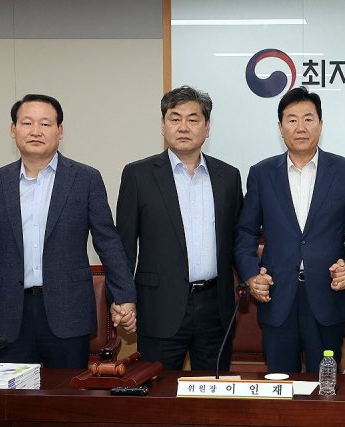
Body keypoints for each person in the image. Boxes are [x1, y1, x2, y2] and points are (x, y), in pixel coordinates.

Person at [0, 94, 137, 368]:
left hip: (68, 311)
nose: (35, 131)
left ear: (60, 131)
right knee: (12, 393)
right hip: (12, 315)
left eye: (45, 124)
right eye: (27, 123)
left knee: (66, 392)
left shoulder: (85, 178)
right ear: (13, 130)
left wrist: (125, 296)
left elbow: (108, 241)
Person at [234, 86, 345, 373]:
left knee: (326, 385)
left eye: (308, 119)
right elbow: (245, 233)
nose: (301, 127)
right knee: (280, 384)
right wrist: (250, 274)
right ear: (280, 127)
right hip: (277, 295)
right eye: (292, 120)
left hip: (328, 295)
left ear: (320, 124)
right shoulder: (261, 173)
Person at [116, 86, 243, 371]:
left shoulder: (228, 177)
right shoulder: (138, 175)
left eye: (193, 119)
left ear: (207, 128)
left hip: (216, 309)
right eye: (174, 119)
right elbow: (123, 245)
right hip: (158, 307)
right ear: (163, 126)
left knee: (212, 391)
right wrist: (122, 298)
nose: (183, 127)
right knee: (157, 392)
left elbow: (238, 240)